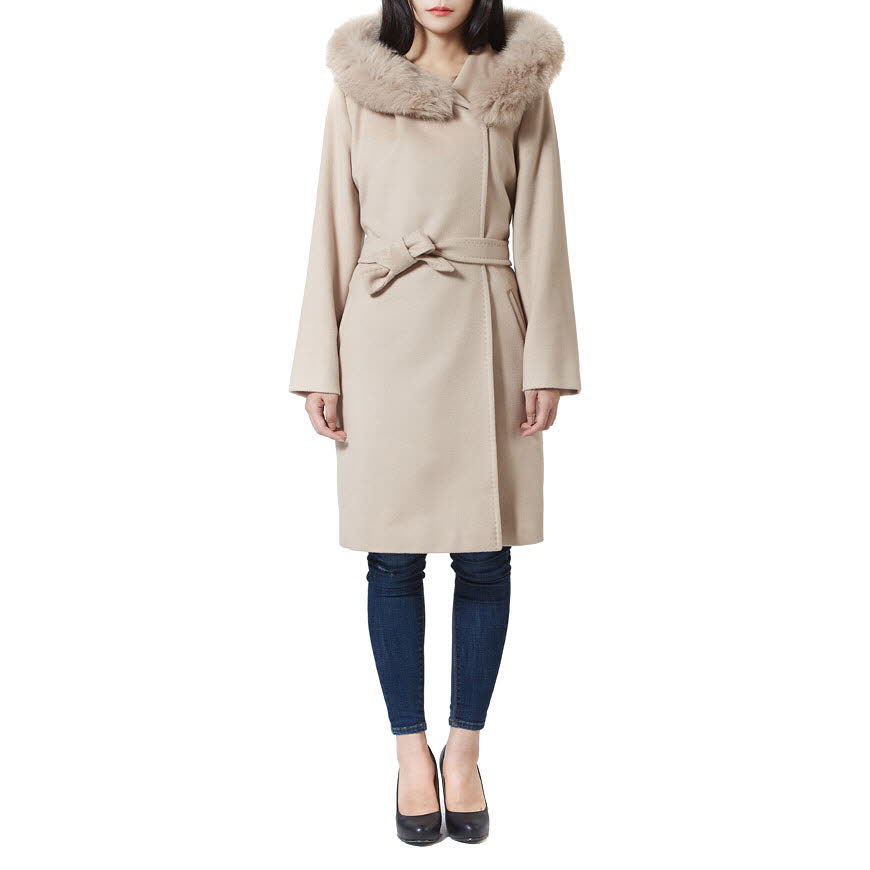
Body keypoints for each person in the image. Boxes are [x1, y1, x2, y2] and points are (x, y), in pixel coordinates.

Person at [290, 0, 580, 845]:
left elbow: (544, 227)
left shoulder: (517, 82)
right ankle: (410, 752)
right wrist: (318, 363)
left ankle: (466, 752)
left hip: (487, 328)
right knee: (393, 558)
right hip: (381, 333)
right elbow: (331, 226)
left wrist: (548, 358)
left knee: (485, 556)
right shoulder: (358, 85)